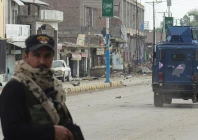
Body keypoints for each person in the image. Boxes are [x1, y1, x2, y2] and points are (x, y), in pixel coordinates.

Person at [0, 34, 75, 140]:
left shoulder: (54, 87)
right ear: (25, 57)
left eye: (47, 56)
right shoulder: (15, 88)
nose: (42, 61)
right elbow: (12, 132)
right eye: (36, 55)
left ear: (52, 58)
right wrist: (51, 132)